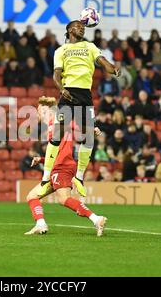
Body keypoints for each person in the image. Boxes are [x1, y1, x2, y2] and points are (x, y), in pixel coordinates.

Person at [40, 20, 120, 197]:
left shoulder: (90, 47)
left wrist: (113, 69)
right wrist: (61, 90)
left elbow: (103, 61)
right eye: (78, 27)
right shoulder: (61, 50)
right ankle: (46, 177)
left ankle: (79, 176)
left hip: (85, 95)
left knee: (89, 135)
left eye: (83, 27)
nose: (81, 29)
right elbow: (56, 75)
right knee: (57, 135)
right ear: (69, 30)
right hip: (68, 93)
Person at [25, 113, 107, 236]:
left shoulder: (58, 125)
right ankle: (40, 224)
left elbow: (75, 128)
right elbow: (56, 152)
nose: (39, 113)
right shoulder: (54, 128)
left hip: (62, 167)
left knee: (64, 199)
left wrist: (91, 130)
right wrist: (42, 160)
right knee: (32, 196)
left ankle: (96, 219)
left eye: (42, 110)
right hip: (58, 167)